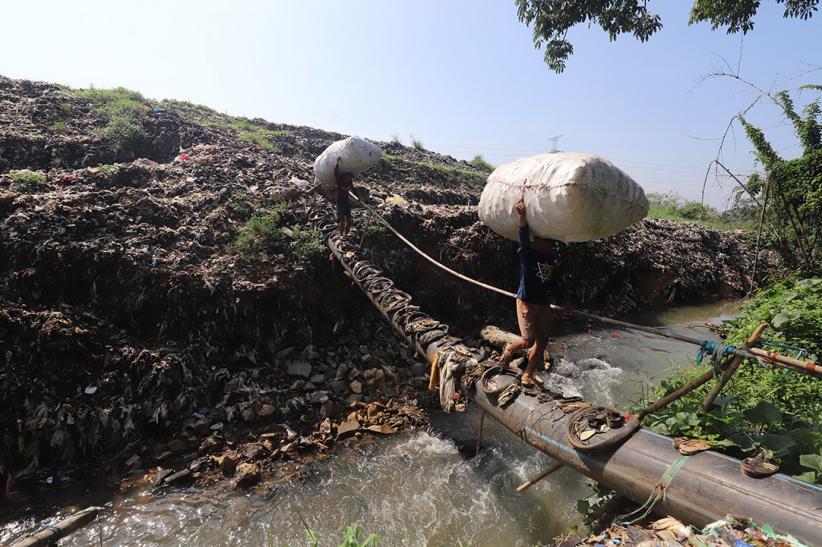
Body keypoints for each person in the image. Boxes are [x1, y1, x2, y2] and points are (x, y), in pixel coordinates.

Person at [499, 198, 571, 387]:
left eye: (551, 243)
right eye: (546, 242)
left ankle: (527, 375)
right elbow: (522, 235)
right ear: (537, 240)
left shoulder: (553, 258)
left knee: (543, 341)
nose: (549, 245)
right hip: (526, 302)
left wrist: (563, 302)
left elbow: (553, 282)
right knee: (527, 341)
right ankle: (510, 348)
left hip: (543, 304)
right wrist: (522, 216)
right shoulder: (527, 254)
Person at [334, 156, 355, 239]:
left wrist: (358, 197)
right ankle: (340, 234)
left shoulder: (349, 181)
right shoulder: (339, 180)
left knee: (349, 221)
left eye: (350, 179)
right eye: (348, 178)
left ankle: (345, 235)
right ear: (345, 177)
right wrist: (337, 162)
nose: (349, 180)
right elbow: (335, 172)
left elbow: (353, 189)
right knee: (342, 220)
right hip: (339, 203)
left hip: (346, 203)